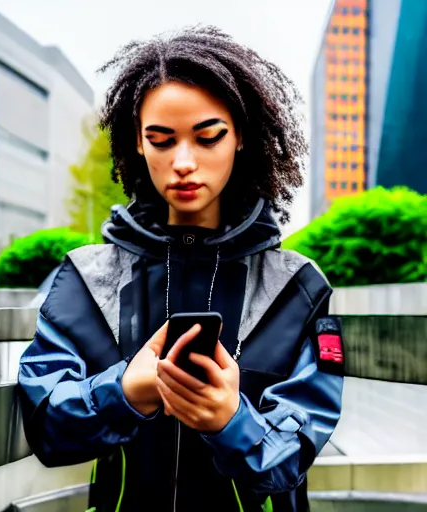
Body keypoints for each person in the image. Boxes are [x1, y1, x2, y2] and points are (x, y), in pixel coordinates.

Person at [17, 26, 344, 512]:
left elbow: (294, 455)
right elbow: (46, 426)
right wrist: (126, 391)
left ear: (240, 139)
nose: (184, 162)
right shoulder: (88, 278)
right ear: (139, 145)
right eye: (162, 140)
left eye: (208, 136)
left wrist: (232, 421)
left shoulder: (298, 287)